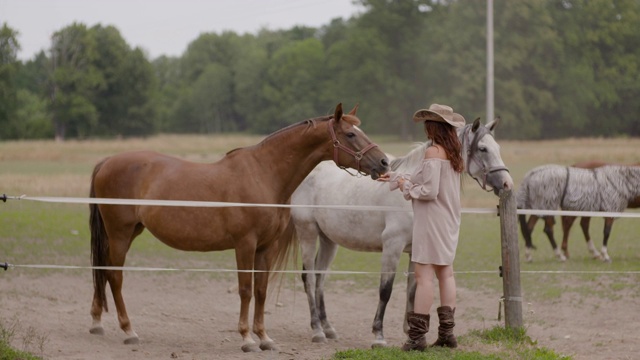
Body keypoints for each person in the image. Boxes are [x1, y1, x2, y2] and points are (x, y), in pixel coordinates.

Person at [377, 103, 464, 351]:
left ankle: (416, 337)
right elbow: (425, 179)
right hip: (447, 220)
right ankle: (447, 334)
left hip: (431, 220)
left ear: (432, 127)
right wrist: (396, 177)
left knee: (423, 276)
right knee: (446, 273)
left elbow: (428, 191)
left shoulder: (433, 152)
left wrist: (405, 188)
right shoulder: (452, 152)